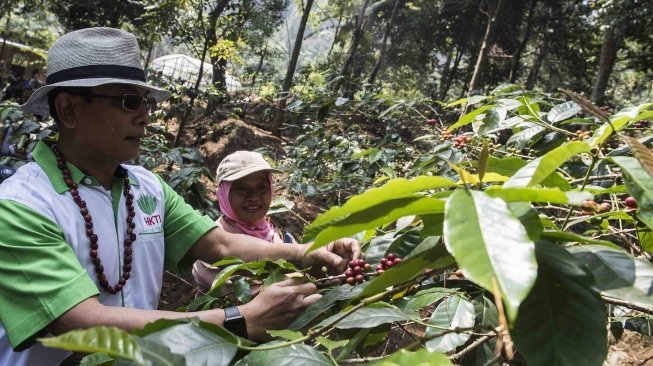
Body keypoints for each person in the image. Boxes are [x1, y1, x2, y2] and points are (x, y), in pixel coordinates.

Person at [0, 27, 361, 366]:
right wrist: (239, 320)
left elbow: (220, 246)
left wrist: (307, 252)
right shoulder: (20, 207)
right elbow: (81, 322)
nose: (145, 118)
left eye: (145, 103)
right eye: (128, 102)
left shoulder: (146, 188)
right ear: (68, 109)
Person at [192, 150, 297, 293]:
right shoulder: (210, 243)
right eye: (241, 189)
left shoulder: (283, 237)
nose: (253, 197)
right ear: (223, 194)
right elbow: (242, 295)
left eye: (261, 188)